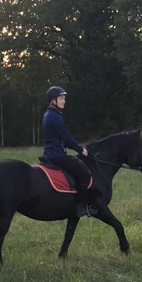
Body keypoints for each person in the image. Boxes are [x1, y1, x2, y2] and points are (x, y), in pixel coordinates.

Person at [42, 86, 96, 217]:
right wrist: (81, 149)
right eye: (61, 98)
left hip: (51, 153)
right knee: (83, 174)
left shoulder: (50, 115)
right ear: (53, 101)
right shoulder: (54, 117)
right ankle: (80, 207)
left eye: (64, 98)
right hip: (57, 155)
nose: (64, 101)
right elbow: (66, 138)